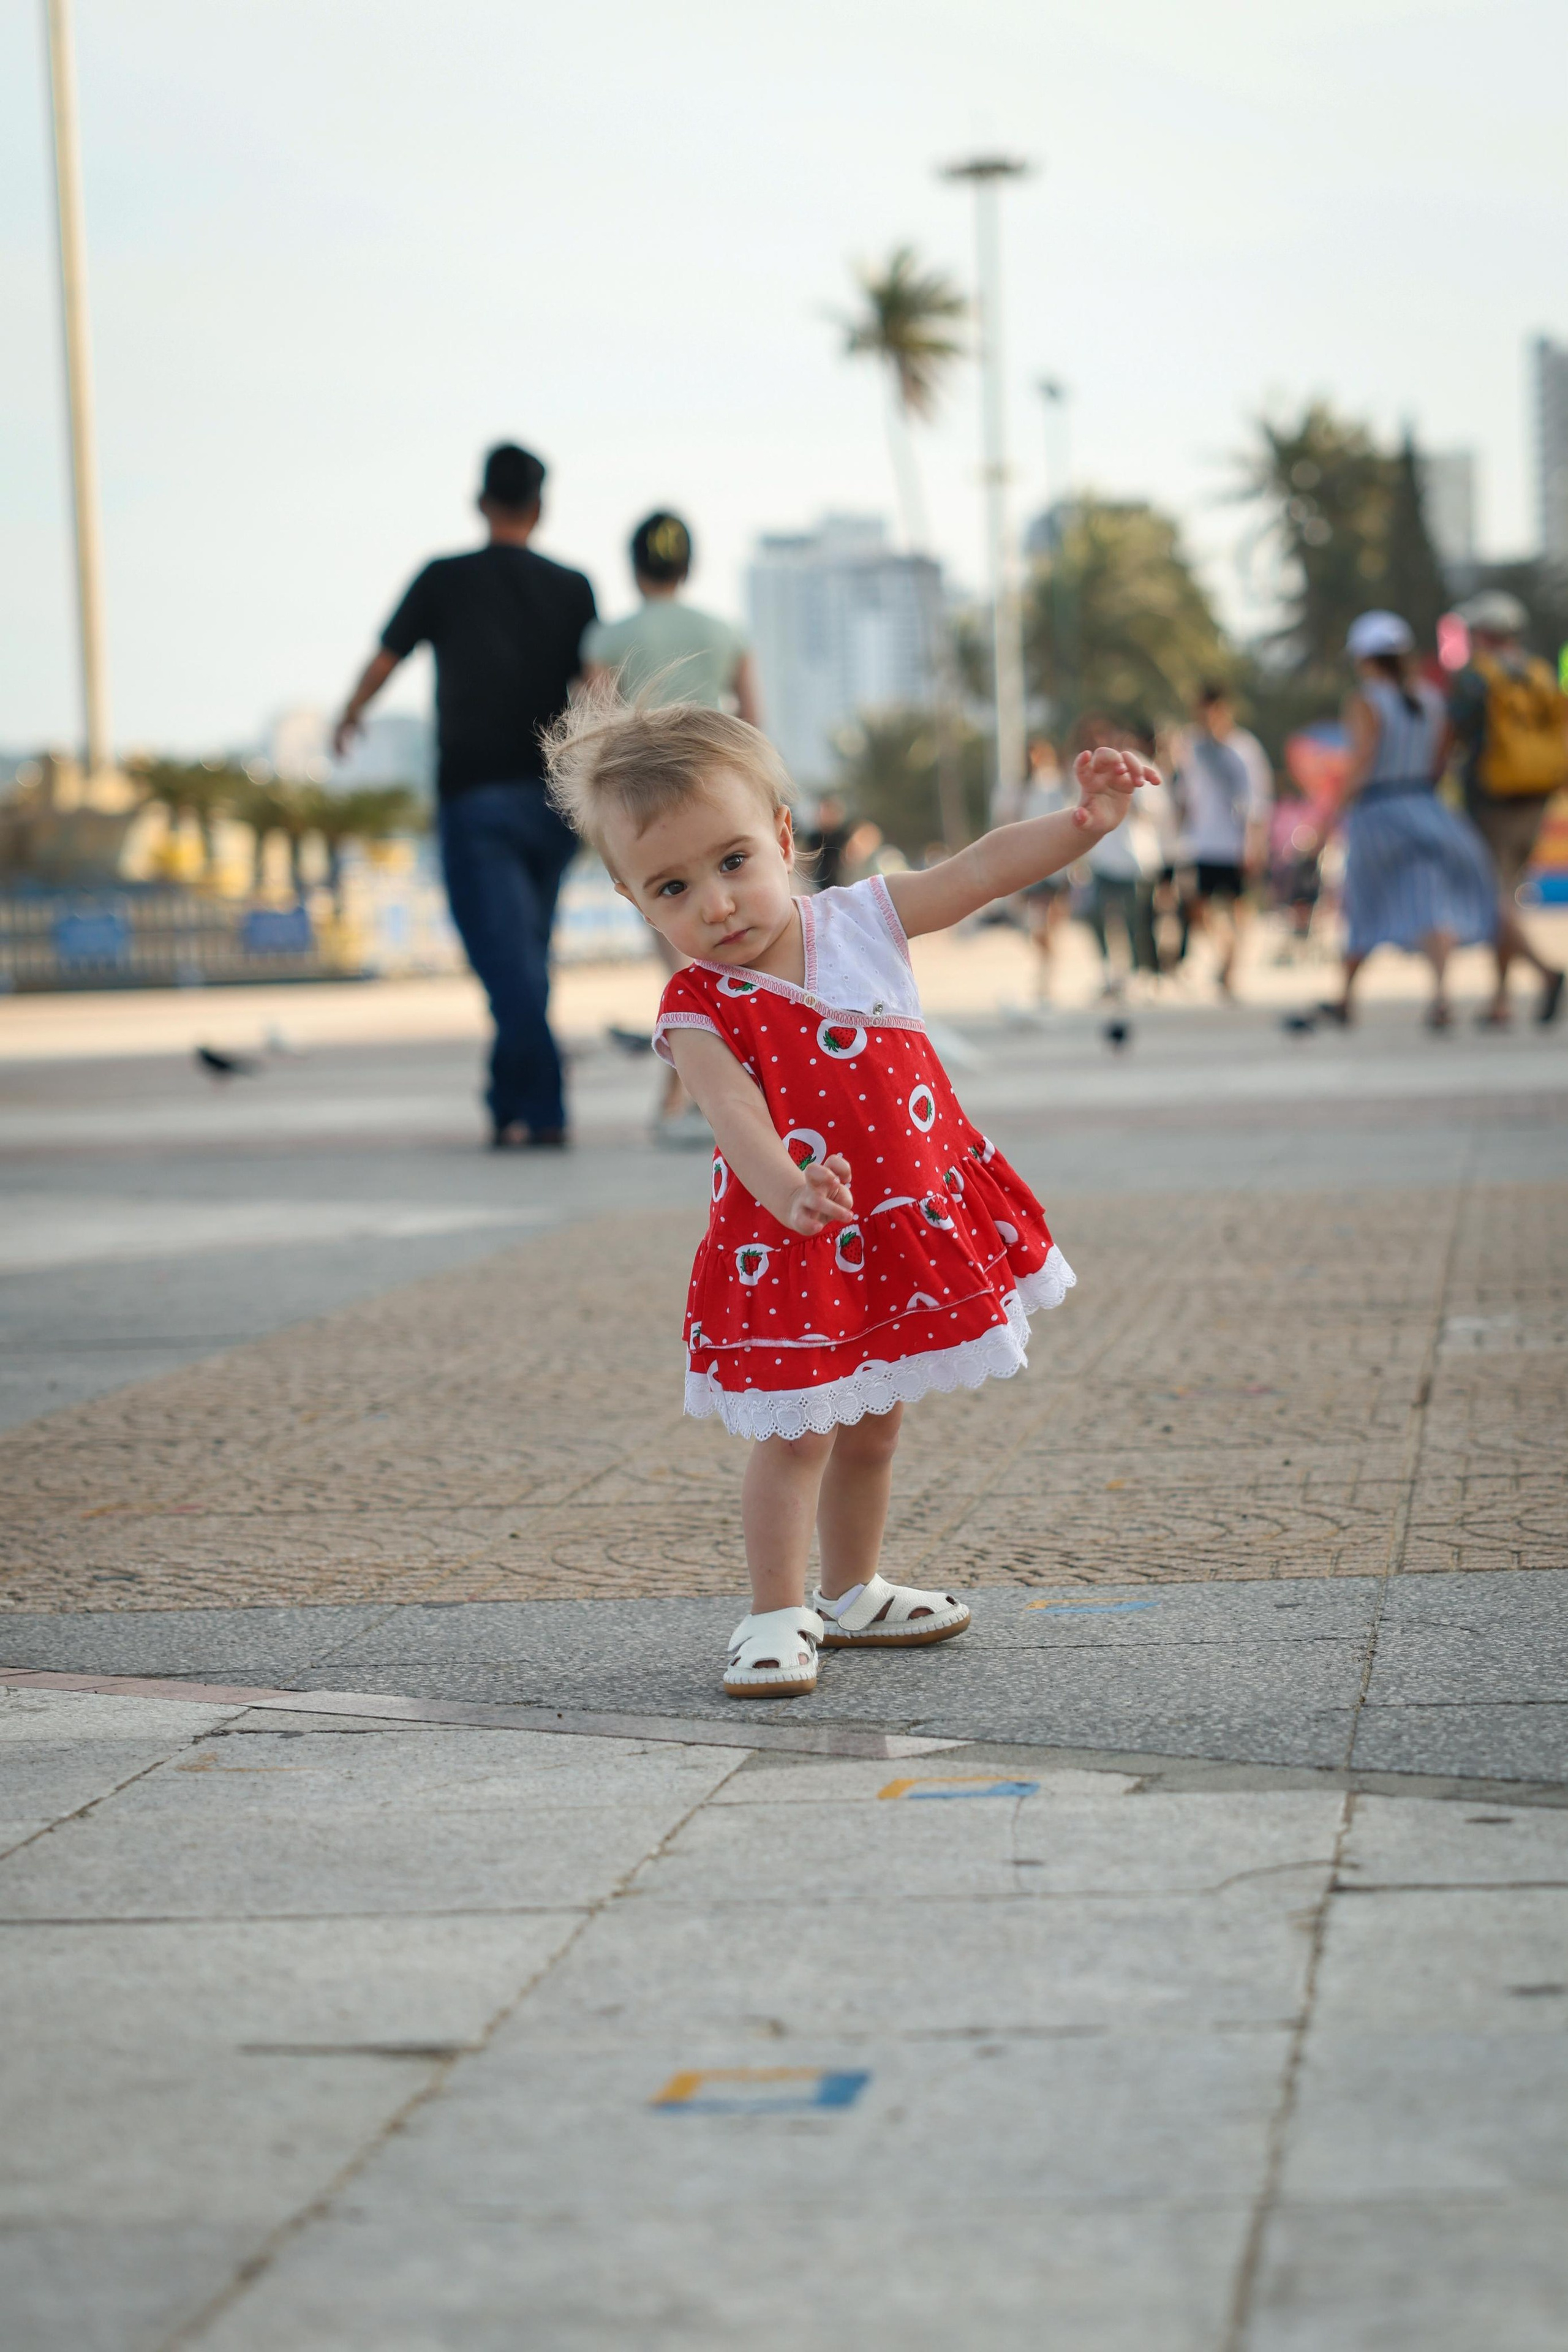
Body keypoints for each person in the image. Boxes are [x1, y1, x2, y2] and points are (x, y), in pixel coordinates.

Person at [543, 692, 1156, 1699]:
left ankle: (853, 1588)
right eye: (673, 888)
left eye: (735, 862)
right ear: (635, 900)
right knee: (798, 1435)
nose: (718, 905)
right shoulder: (698, 1002)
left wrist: (1082, 825)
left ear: (783, 838)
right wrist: (787, 1190)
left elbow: (977, 872)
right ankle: (775, 1612)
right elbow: (731, 1113)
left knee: (876, 1424)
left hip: (898, 1225)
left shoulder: (865, 920)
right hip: (793, 1240)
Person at [333, 444, 595, 1147]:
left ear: (481, 504)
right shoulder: (574, 588)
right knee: (524, 959)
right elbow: (596, 689)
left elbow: (386, 659)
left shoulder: (442, 579)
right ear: (539, 510)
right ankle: (507, 1099)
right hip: (554, 802)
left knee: (507, 961)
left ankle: (542, 1109)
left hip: (475, 797)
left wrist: (350, 713)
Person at [582, 510, 760, 1142]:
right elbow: (752, 727)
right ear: (689, 564)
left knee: (688, 965)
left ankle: (691, 1102)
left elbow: (592, 731)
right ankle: (702, 1100)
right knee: (721, 962)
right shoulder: (724, 631)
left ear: (635, 566)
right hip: (716, 802)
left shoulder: (607, 637)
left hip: (648, 821)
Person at [1322, 611, 1498, 1030]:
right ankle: (1440, 995)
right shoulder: (1432, 699)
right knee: (1430, 902)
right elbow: (1442, 760)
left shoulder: (1365, 699)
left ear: (1365, 657)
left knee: (1365, 901)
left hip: (1378, 810)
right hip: (1426, 806)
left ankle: (1345, 998)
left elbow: (1361, 760)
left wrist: (1330, 816)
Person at [1449, 589, 1566, 1026]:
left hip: (1491, 799)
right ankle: (1500, 1000)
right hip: (1537, 795)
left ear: (1483, 632)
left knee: (1490, 898)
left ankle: (1546, 972)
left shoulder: (1477, 677)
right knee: (1507, 898)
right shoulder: (1539, 673)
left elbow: (1455, 731)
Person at [1170, 686, 1273, 993]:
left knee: (1238, 909)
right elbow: (1185, 796)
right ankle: (1223, 956)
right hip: (1201, 843)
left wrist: (1255, 843)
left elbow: (1258, 799)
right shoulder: (1191, 747)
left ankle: (1230, 969)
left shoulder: (1244, 748)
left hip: (1235, 842)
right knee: (1198, 910)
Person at [1002, 736, 1074, 1003]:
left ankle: (1048, 977)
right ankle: (1046, 971)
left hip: (1056, 866)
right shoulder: (1017, 788)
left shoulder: (1056, 785)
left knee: (1053, 925)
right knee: (1036, 926)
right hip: (1028, 864)